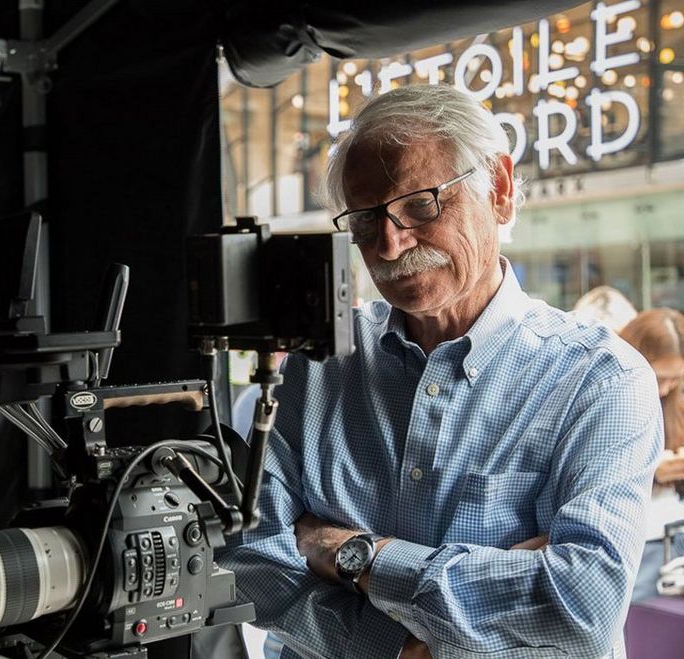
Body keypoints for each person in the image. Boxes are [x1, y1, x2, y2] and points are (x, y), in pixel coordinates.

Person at [218, 84, 663, 659]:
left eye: (420, 204)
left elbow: (581, 606)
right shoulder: (313, 372)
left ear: (498, 190)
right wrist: (396, 649)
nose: (389, 241)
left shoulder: (601, 380)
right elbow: (249, 558)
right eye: (364, 218)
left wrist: (355, 553)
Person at [618, 308, 684, 601]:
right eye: (660, 379)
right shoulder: (613, 401)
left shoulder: (674, 406)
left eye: (675, 379)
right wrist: (651, 472)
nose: (665, 389)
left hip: (672, 539)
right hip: (636, 545)